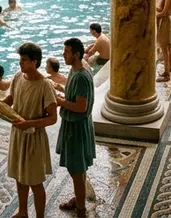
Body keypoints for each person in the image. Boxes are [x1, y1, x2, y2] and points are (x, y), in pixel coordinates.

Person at [3, 42, 59, 218]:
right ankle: (23, 211)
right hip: (18, 135)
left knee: (35, 181)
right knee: (20, 177)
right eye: (20, 59)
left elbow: (52, 118)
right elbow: (11, 99)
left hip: (34, 138)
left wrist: (29, 123)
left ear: (34, 62)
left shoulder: (45, 85)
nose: (21, 63)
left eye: (25, 60)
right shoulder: (18, 77)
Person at [55, 37, 95, 215]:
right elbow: (75, 97)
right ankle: (79, 198)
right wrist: (60, 89)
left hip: (76, 129)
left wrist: (61, 102)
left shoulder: (80, 76)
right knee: (79, 168)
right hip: (74, 126)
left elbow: (81, 106)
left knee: (76, 169)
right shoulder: (75, 70)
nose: (63, 55)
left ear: (76, 55)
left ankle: (80, 208)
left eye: (67, 52)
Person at [155, 0, 171, 82]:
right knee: (168, 46)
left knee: (165, 48)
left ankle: (166, 74)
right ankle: (169, 67)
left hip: (165, 22)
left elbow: (165, 12)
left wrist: (154, 15)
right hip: (165, 21)